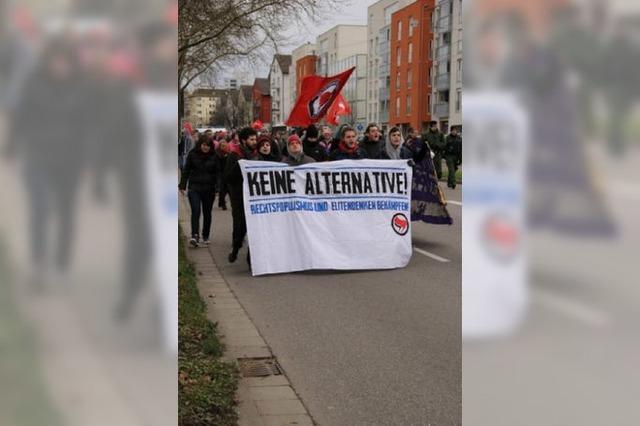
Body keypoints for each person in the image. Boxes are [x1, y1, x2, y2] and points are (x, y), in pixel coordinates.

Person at [224, 126, 258, 263]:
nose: (255, 142)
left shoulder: (256, 155)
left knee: (254, 226)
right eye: (251, 139)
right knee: (241, 225)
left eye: (255, 139)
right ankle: (235, 249)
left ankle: (251, 259)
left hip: (254, 195)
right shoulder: (235, 155)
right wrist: (240, 166)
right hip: (239, 195)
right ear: (244, 141)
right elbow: (228, 176)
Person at [179, 136, 218, 247]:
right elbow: (186, 170)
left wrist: (218, 187)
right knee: (195, 211)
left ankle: (205, 235)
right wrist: (182, 185)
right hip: (194, 187)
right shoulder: (192, 154)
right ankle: (195, 235)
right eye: (204, 145)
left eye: (208, 146)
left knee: (207, 213)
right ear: (200, 144)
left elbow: (218, 173)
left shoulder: (214, 156)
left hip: (209, 188)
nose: (206, 147)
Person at [215, 140, 230, 210]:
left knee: (228, 189)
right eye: (222, 146)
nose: (224, 147)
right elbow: (217, 165)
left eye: (225, 146)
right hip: (220, 173)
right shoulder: (217, 154)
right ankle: (223, 203)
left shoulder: (229, 154)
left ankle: (221, 202)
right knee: (222, 189)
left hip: (227, 173)